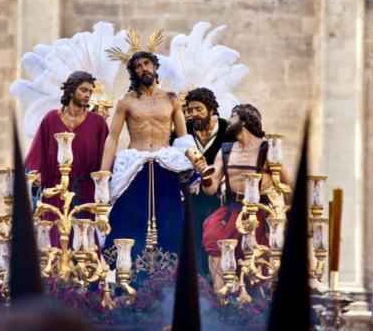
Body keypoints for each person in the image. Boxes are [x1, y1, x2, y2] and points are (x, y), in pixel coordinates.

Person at [101, 51, 195, 258]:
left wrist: (196, 162)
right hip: (135, 164)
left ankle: (169, 277)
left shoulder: (171, 99)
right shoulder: (126, 101)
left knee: (168, 216)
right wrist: (103, 175)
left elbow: (182, 138)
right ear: (133, 72)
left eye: (147, 63)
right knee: (131, 217)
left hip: (165, 163)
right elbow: (112, 138)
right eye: (138, 66)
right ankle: (130, 275)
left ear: (154, 66)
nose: (144, 68)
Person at [192, 104, 294, 292]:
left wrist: (287, 219)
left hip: (259, 212)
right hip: (231, 210)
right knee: (214, 237)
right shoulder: (226, 150)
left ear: (245, 120)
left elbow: (289, 185)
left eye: (232, 116)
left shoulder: (267, 149)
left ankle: (256, 303)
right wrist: (204, 175)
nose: (228, 121)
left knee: (260, 259)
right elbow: (211, 188)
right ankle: (219, 297)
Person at [25, 71, 109, 247]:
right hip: (56, 192)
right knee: (54, 244)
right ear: (71, 91)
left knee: (84, 247)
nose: (87, 95)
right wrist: (36, 177)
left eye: (90, 92)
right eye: (83, 90)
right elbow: (36, 154)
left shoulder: (97, 122)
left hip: (85, 192)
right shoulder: (51, 119)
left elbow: (106, 159)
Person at [170, 87, 236, 278]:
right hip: (190, 197)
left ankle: (217, 284)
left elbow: (234, 158)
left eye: (198, 109)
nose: (194, 114)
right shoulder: (184, 131)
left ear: (211, 109)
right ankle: (194, 283)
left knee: (215, 239)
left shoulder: (226, 129)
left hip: (219, 196)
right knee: (191, 238)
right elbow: (172, 156)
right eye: (190, 110)